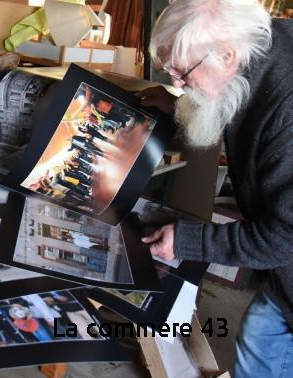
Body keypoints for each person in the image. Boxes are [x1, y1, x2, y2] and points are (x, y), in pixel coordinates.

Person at [136, 1, 292, 377]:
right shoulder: (263, 44)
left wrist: (189, 241)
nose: (175, 81)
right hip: (286, 277)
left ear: (226, 53)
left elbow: (286, 236)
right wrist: (180, 105)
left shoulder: (288, 109)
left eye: (181, 70)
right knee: (261, 332)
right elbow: (233, 97)